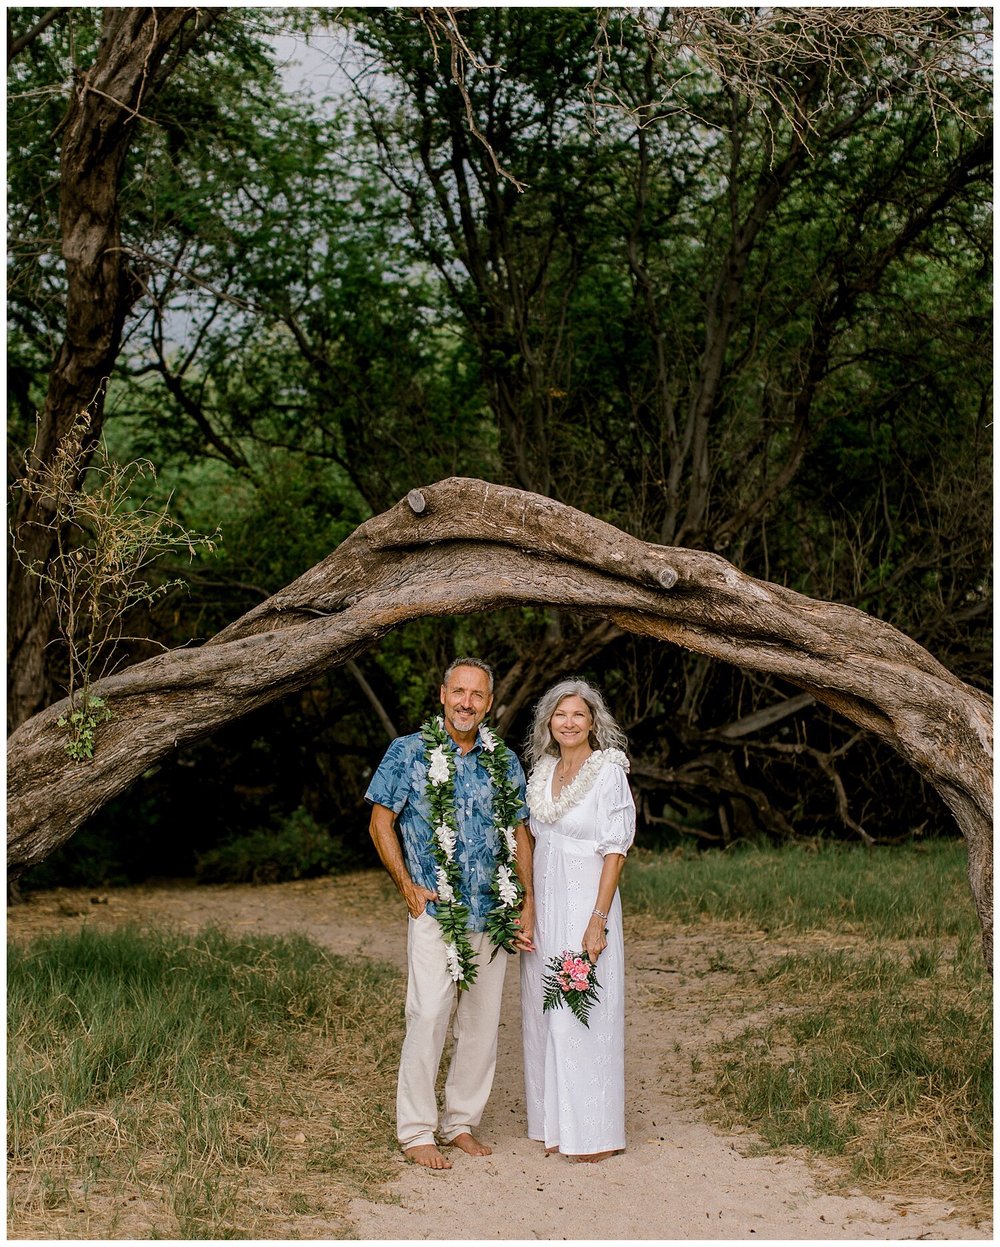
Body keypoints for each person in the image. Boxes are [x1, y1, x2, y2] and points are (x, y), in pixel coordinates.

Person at [366, 657, 535, 1170]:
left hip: (493, 914)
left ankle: (460, 1122)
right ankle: (416, 1130)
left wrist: (526, 899)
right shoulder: (409, 752)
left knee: (482, 1026)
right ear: (442, 695)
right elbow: (380, 822)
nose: (466, 702)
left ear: (489, 702)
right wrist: (408, 888)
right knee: (429, 1017)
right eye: (458, 691)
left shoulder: (504, 761)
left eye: (477, 694)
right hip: (437, 914)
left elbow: (521, 833)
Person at [519, 679, 636, 1162]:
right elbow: (527, 836)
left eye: (578, 715)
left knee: (583, 1013)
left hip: (587, 901)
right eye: (560, 714)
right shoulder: (541, 770)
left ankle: (593, 1135)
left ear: (593, 722)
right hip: (546, 905)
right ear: (549, 721)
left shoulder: (608, 771)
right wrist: (526, 903)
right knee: (543, 1013)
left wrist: (598, 918)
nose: (568, 723)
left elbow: (616, 848)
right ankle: (554, 1125)